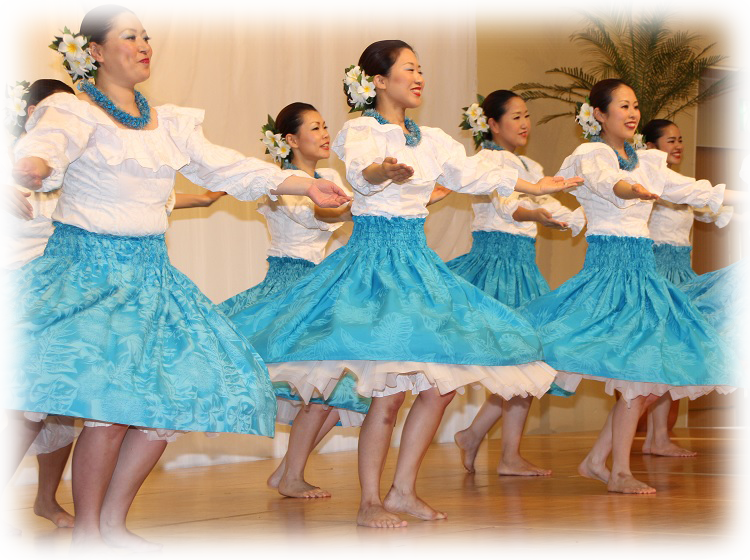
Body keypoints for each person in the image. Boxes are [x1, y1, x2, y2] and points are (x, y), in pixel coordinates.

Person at [2, 5, 348, 559]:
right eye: (129, 36)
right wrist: (35, 165)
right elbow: (48, 146)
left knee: (166, 405)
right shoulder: (72, 109)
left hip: (150, 276)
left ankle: (113, 522)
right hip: (88, 271)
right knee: (109, 409)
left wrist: (303, 187)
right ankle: (86, 534)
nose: (143, 46)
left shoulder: (169, 123)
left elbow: (226, 167)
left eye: (146, 36)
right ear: (93, 50)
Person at [238, 40, 582, 527]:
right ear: (378, 81)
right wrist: (386, 169)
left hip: (417, 261)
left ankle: (403, 491)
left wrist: (534, 186)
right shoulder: (360, 130)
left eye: (421, 69)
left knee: (438, 384)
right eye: (408, 69)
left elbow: (473, 174)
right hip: (375, 262)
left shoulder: (435, 139)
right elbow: (363, 174)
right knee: (388, 388)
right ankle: (370, 500)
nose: (418, 77)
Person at [523, 78, 750, 494]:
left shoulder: (649, 160)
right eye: (622, 106)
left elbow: (697, 191)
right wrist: (632, 189)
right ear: (599, 114)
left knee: (643, 376)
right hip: (609, 272)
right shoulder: (591, 154)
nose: (631, 113)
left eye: (635, 106)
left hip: (643, 273)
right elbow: (608, 182)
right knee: (633, 372)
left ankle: (599, 461)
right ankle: (619, 472)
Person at [221, 102, 370, 499]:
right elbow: (322, 217)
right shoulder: (281, 181)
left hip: (321, 286)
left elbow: (339, 210)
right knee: (324, 388)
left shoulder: (330, 174)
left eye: (325, 127)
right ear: (290, 139)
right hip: (289, 285)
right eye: (315, 128)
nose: (325, 134)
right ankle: (290, 475)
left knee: (342, 388)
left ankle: (288, 471)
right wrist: (366, 207)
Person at [450, 89, 585, 476]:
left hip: (523, 268)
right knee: (515, 358)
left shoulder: (530, 163)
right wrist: (538, 215)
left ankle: (493, 445)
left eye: (527, 116)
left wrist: (581, 219)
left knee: (528, 360)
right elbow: (507, 204)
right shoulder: (487, 162)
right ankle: (484, 441)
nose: (525, 124)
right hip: (492, 267)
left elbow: (551, 200)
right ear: (492, 124)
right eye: (516, 117)